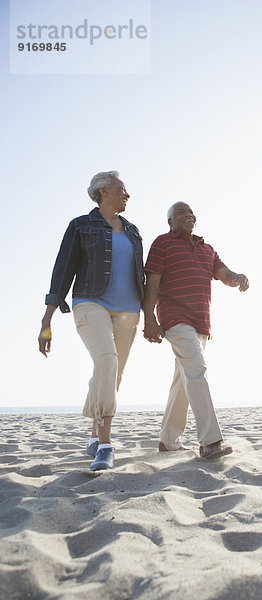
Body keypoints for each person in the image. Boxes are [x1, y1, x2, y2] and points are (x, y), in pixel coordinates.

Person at [38, 171, 144, 471]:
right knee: (107, 360)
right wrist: (47, 322)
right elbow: (62, 271)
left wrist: (152, 318)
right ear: (103, 190)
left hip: (128, 311)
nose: (127, 194)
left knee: (113, 373)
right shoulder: (81, 225)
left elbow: (142, 278)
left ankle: (94, 434)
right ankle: (106, 444)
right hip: (90, 303)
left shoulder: (134, 231)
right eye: (122, 189)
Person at [142, 202, 249, 460]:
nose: (188, 216)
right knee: (197, 370)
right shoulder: (162, 244)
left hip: (201, 322)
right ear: (170, 221)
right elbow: (152, 283)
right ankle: (210, 442)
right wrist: (148, 319)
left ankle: (168, 440)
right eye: (181, 213)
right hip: (175, 317)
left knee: (184, 378)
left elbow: (223, 273)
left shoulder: (207, 248)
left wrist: (238, 278)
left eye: (191, 212)